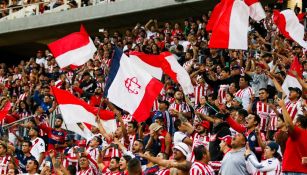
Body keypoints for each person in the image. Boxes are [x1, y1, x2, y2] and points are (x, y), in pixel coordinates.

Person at [278, 99, 307, 174]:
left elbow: (289, 124)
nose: (292, 122)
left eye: (294, 120)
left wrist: (283, 107)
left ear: (298, 123)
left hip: (294, 171)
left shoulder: (298, 133)